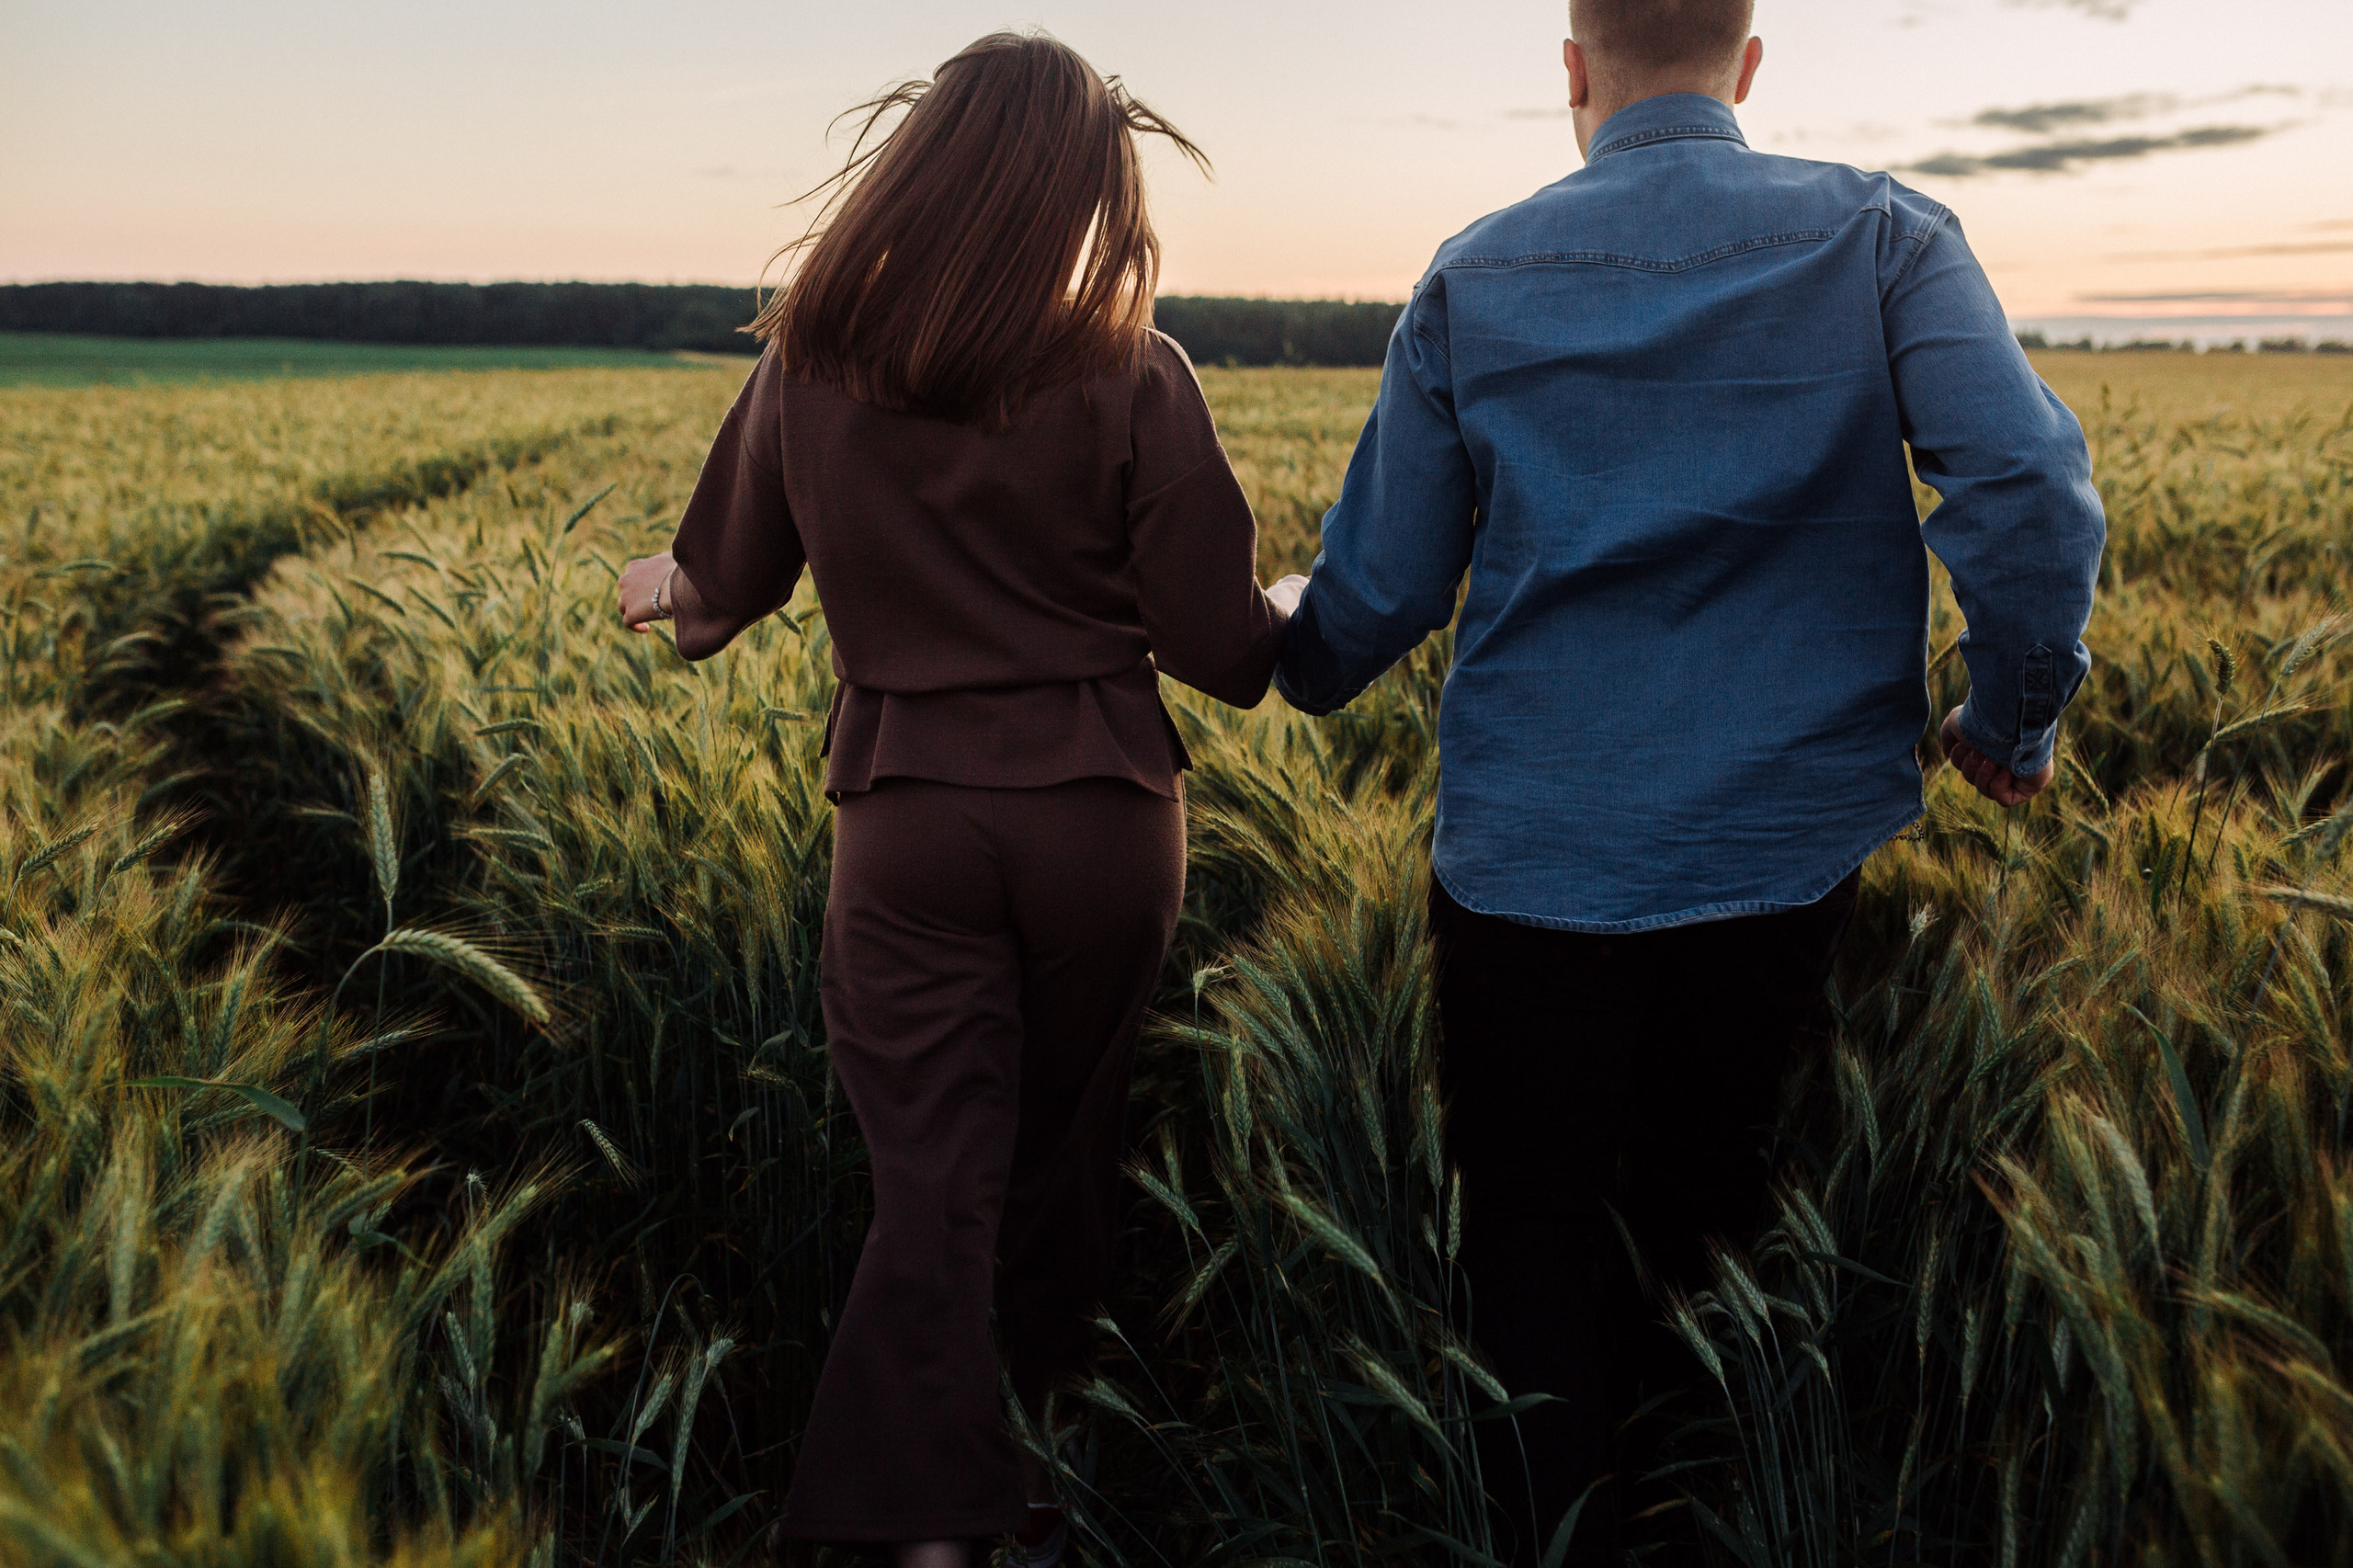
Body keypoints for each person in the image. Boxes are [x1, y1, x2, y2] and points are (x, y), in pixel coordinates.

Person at [1267, 0, 2105, 1559]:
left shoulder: (1473, 272)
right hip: (1793, 853)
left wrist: (1283, 651)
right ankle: (1728, 1517)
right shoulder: (1882, 239)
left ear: (1572, 74)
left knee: (1532, 1251)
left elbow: (1373, 598)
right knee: (1725, 1231)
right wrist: (2012, 720)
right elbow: (2035, 499)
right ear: (1750, 65)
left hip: (1527, 862)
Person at [617, 33, 1289, 1568]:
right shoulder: (1137, 372)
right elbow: (1224, 653)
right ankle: (1037, 1466)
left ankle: (928, 1532)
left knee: (934, 1182)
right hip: (1105, 822)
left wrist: (658, 586)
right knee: (1060, 1151)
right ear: (1074, 198)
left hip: (908, 816)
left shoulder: (813, 358)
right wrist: (1299, 596)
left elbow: (717, 597)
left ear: (926, 167)